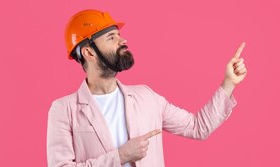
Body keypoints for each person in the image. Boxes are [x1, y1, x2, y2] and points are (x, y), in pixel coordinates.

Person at [47, 9, 248, 167]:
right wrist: (121, 156)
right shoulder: (64, 110)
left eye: (119, 34)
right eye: (111, 37)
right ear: (89, 52)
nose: (123, 40)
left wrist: (228, 84)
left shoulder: (146, 97)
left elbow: (198, 127)